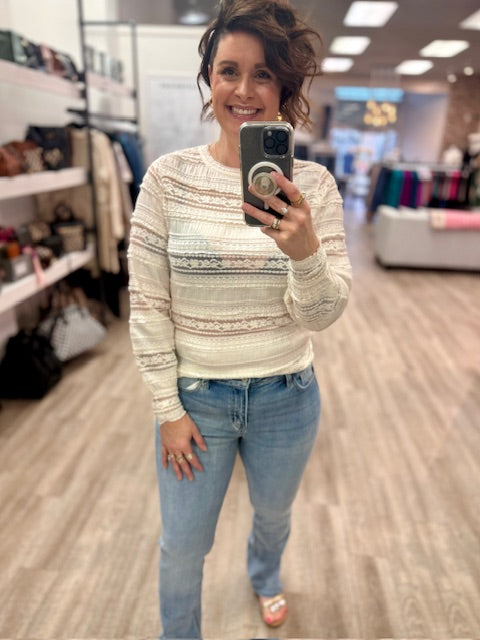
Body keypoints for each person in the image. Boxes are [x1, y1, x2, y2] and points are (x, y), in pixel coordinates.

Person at [128, 1, 352, 638]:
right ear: (210, 79)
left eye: (263, 74)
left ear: (285, 87)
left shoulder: (315, 188)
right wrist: (167, 409)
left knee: (274, 515)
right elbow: (147, 304)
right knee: (182, 544)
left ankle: (264, 574)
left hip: (288, 396)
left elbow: (325, 313)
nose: (245, 90)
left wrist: (304, 253)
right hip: (196, 402)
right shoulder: (167, 178)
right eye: (229, 71)